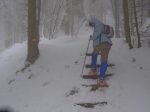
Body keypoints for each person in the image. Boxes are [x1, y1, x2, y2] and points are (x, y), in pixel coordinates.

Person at [87, 16, 112, 87]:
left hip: (101, 43)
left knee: (94, 54)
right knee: (104, 60)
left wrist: (92, 37)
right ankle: (101, 78)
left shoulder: (98, 23)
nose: (91, 26)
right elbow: (99, 32)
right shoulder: (100, 25)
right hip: (107, 44)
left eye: (91, 24)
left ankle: (93, 70)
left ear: (92, 21)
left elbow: (97, 32)